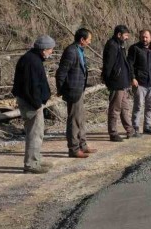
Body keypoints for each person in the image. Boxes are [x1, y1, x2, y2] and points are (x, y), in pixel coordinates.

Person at [12, 35, 55, 174]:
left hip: (31, 101)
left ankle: (36, 160)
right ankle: (31, 164)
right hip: (31, 103)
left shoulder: (32, 58)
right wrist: (37, 104)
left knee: (37, 132)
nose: (51, 52)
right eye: (50, 49)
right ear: (43, 49)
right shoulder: (32, 61)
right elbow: (31, 86)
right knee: (34, 133)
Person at [55, 28, 96, 159]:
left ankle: (82, 145)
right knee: (73, 120)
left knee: (81, 119)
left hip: (79, 89)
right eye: (88, 40)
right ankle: (73, 148)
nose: (89, 42)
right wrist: (61, 90)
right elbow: (61, 73)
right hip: (73, 90)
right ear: (82, 40)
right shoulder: (71, 51)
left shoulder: (79, 50)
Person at [128, 29, 151, 136]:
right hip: (139, 83)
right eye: (142, 37)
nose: (144, 39)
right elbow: (129, 65)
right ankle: (135, 128)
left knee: (150, 106)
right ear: (140, 37)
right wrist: (132, 78)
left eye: (146, 37)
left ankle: (147, 126)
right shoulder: (134, 48)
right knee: (138, 106)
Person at [102, 25, 133, 142]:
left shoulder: (120, 45)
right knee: (115, 109)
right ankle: (113, 133)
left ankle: (130, 130)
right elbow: (108, 66)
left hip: (123, 82)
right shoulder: (112, 45)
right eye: (125, 36)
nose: (126, 38)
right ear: (119, 35)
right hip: (116, 83)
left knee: (125, 107)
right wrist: (109, 81)